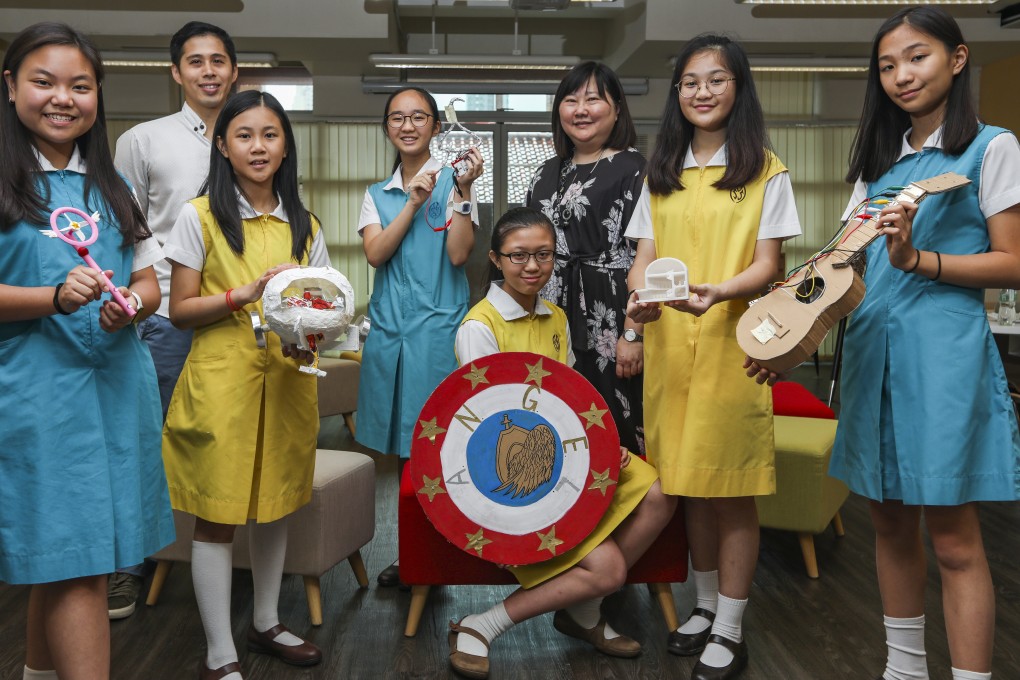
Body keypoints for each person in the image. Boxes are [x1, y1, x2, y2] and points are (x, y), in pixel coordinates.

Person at [824, 8, 1020, 680]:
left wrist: (919, 260)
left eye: (917, 57)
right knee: (888, 522)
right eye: (887, 65)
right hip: (872, 351)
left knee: (954, 537)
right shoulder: (879, 164)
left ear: (958, 59)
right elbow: (837, 269)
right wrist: (783, 338)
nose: (901, 75)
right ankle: (902, 669)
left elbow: (1014, 262)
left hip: (943, 357)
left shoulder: (993, 147)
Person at [0, 22, 174, 680]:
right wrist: (51, 296)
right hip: (39, 397)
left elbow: (149, 282)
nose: (61, 98)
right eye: (43, 82)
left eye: (80, 85)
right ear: (11, 86)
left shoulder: (113, 188)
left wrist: (130, 304)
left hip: (115, 387)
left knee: (68, 559)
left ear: (99, 95)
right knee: (81, 566)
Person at [626, 34, 802, 680]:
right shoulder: (661, 171)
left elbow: (769, 265)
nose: (702, 91)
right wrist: (637, 303)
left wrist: (719, 292)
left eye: (716, 79)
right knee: (688, 484)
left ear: (738, 88)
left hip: (735, 346)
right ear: (677, 95)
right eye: (690, 82)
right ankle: (702, 609)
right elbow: (642, 260)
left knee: (730, 490)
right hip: (670, 349)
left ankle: (730, 625)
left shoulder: (765, 170)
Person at [449, 207, 677, 680]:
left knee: (659, 494)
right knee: (610, 570)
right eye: (518, 256)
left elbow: (571, 395)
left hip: (565, 454)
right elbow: (491, 425)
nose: (532, 266)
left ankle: (583, 609)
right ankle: (482, 624)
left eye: (544, 255)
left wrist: (597, 443)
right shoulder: (480, 326)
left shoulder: (554, 315)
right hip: (513, 471)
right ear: (495, 259)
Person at [161, 90, 328, 680]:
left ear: (286, 146)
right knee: (218, 515)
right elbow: (180, 309)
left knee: (275, 507)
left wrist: (310, 332)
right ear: (223, 146)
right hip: (222, 381)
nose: (258, 146)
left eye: (270, 135)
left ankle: (264, 622)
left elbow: (318, 310)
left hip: (285, 381)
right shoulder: (198, 215)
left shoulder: (306, 226)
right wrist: (245, 294)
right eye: (244, 135)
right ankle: (218, 653)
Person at [110, 19, 238, 621]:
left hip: (238, 320)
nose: (208, 71)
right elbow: (125, 231)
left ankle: (220, 562)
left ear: (234, 71)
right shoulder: (143, 140)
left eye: (218, 60)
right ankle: (127, 569)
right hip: (166, 317)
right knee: (150, 442)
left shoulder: (251, 136)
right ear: (176, 72)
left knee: (223, 443)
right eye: (196, 62)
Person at [355, 86, 484, 587]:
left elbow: (457, 254)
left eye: (418, 117)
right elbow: (375, 253)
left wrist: (466, 195)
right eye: (397, 118)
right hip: (391, 333)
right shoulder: (376, 195)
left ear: (434, 124)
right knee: (404, 452)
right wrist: (411, 203)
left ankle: (433, 555)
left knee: (435, 449)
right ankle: (416, 555)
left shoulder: (458, 180)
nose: (408, 126)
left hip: (437, 332)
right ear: (387, 127)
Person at [525, 61, 647, 456]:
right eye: (571, 99)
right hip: (551, 307)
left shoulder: (635, 170)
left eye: (593, 99)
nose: (580, 109)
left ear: (616, 109)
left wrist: (633, 333)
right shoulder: (546, 172)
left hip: (611, 311)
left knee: (614, 414)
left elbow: (648, 254)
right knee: (556, 414)